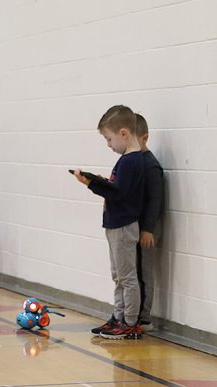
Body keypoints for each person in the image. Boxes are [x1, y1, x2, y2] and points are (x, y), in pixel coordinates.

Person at [72, 104, 146, 339]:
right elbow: (118, 189)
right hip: (116, 224)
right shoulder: (127, 160)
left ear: (124, 133)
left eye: (109, 139)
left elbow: (117, 194)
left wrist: (91, 183)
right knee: (118, 275)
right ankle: (119, 316)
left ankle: (130, 322)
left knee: (127, 277)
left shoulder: (132, 161)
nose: (109, 144)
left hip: (124, 226)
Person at [134, 113, 164, 330]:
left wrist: (148, 229)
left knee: (144, 272)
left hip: (148, 228)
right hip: (133, 225)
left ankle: (144, 317)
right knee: (133, 272)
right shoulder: (132, 162)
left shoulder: (151, 165)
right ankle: (132, 314)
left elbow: (155, 200)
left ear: (144, 138)